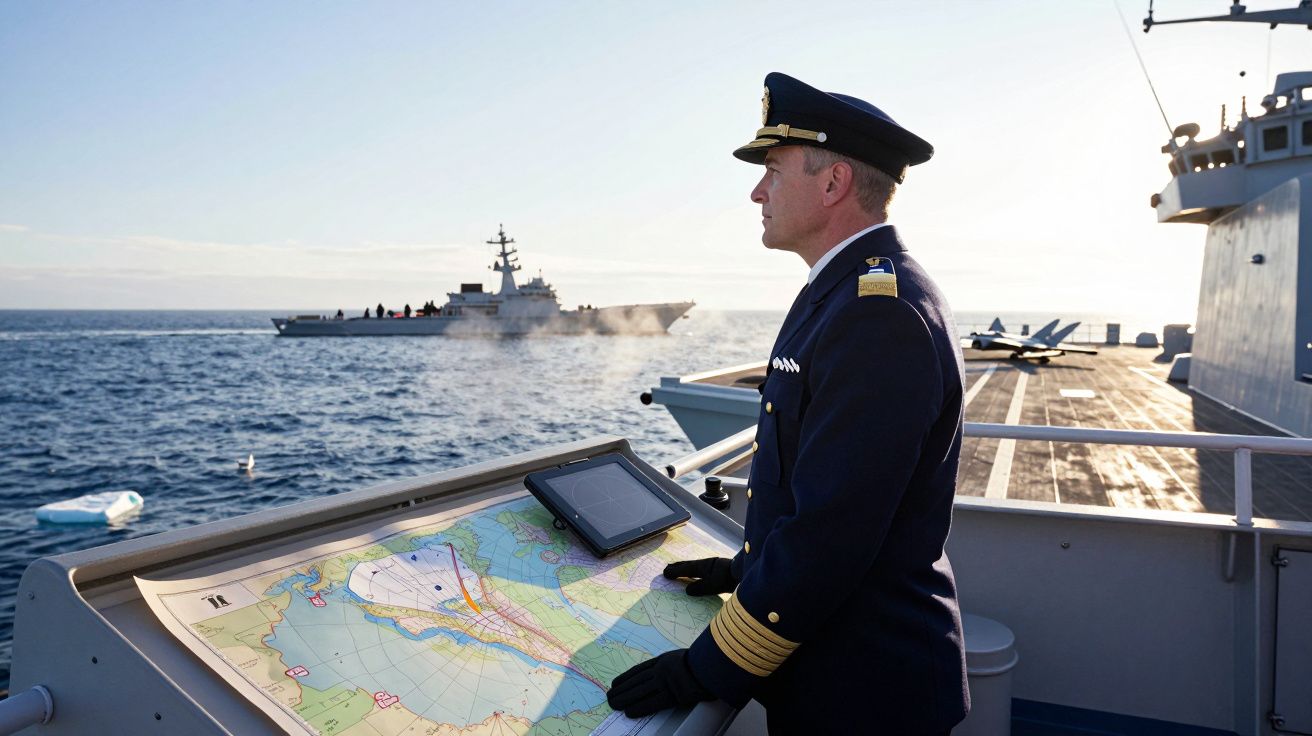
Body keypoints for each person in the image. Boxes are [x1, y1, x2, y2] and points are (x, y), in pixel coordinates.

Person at [606, 72, 969, 734]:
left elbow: (832, 530)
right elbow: (818, 481)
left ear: (831, 185)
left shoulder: (874, 313)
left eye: (772, 169)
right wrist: (741, 569)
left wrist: (702, 668)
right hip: (841, 669)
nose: (756, 191)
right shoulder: (845, 290)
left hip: (865, 691)